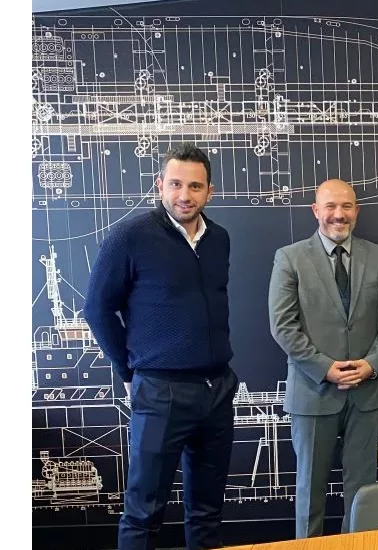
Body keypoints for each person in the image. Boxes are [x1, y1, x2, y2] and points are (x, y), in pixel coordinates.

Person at [84, 143, 238, 550]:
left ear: (210, 191)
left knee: (207, 513)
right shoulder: (130, 236)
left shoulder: (219, 239)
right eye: (174, 184)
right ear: (160, 185)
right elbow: (98, 309)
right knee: (144, 513)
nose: (183, 195)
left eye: (194, 186)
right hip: (161, 391)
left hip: (218, 390)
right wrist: (129, 372)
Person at [268, 179, 378, 538]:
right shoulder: (290, 258)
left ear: (356, 211)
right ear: (316, 210)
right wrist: (325, 369)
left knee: (362, 493)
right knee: (309, 491)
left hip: (368, 393)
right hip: (313, 393)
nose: (338, 215)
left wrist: (372, 363)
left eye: (347, 206)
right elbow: (283, 326)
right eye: (330, 206)